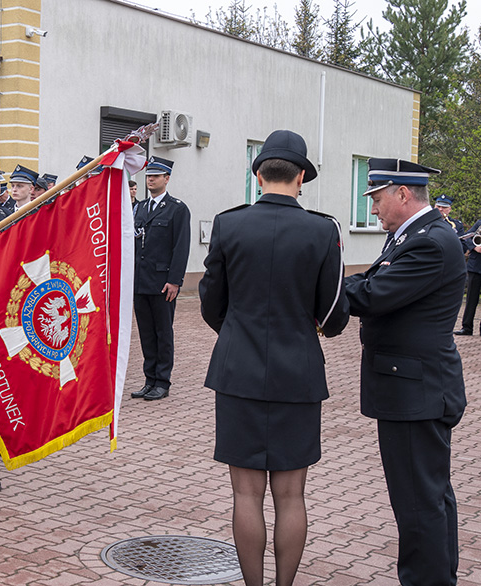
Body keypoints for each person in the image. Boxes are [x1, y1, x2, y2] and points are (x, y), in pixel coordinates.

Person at [199, 130, 348, 586]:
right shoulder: (323, 230)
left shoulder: (229, 223)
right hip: (298, 373)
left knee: (245, 494)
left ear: (258, 173)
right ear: (301, 177)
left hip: (238, 369)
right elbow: (334, 314)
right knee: (291, 495)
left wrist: (240, 331)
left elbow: (210, 303)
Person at [345, 158, 466, 586]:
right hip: (415, 386)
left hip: (415, 390)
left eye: (377, 198)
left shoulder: (428, 241)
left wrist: (324, 283)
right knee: (430, 498)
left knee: (418, 504)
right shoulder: (416, 235)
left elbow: (375, 294)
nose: (373, 209)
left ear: (402, 194)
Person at [131, 156, 190, 401]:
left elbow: (181, 247)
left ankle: (162, 381)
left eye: (156, 176)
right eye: (148, 176)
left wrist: (175, 280)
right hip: (140, 281)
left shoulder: (177, 208)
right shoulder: (139, 207)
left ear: (167, 178)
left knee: (163, 332)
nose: (151, 179)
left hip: (162, 283)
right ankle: (149, 379)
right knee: (146, 332)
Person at [454, 217, 481, 335]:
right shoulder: (480, 222)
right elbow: (467, 237)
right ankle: (467, 327)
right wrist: (475, 247)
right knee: (471, 299)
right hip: (476, 266)